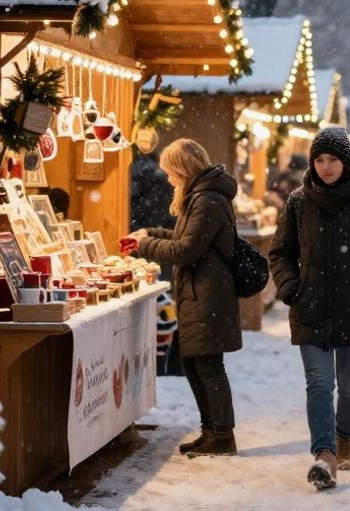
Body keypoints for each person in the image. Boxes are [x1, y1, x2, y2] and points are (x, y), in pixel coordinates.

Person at [268, 127, 350, 491]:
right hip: (309, 308)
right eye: (320, 160)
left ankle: (345, 440)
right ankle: (325, 455)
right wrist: (291, 287)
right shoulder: (298, 202)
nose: (326, 167)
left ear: (346, 162)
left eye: (333, 160)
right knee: (318, 384)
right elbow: (280, 252)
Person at [125, 139, 242, 458]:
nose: (167, 178)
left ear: (183, 169)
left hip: (208, 295)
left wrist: (146, 246)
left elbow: (186, 250)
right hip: (198, 292)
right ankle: (211, 430)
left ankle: (222, 434)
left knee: (208, 365)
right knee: (195, 364)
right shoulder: (199, 197)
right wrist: (148, 233)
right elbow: (183, 239)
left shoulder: (207, 201)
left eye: (170, 172)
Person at [130, 151, 182, 377]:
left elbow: (138, 209)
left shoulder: (138, 174)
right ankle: (162, 355)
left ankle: (158, 355)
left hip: (148, 244)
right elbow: (169, 217)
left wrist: (144, 235)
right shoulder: (162, 179)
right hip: (160, 247)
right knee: (165, 301)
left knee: (155, 301)